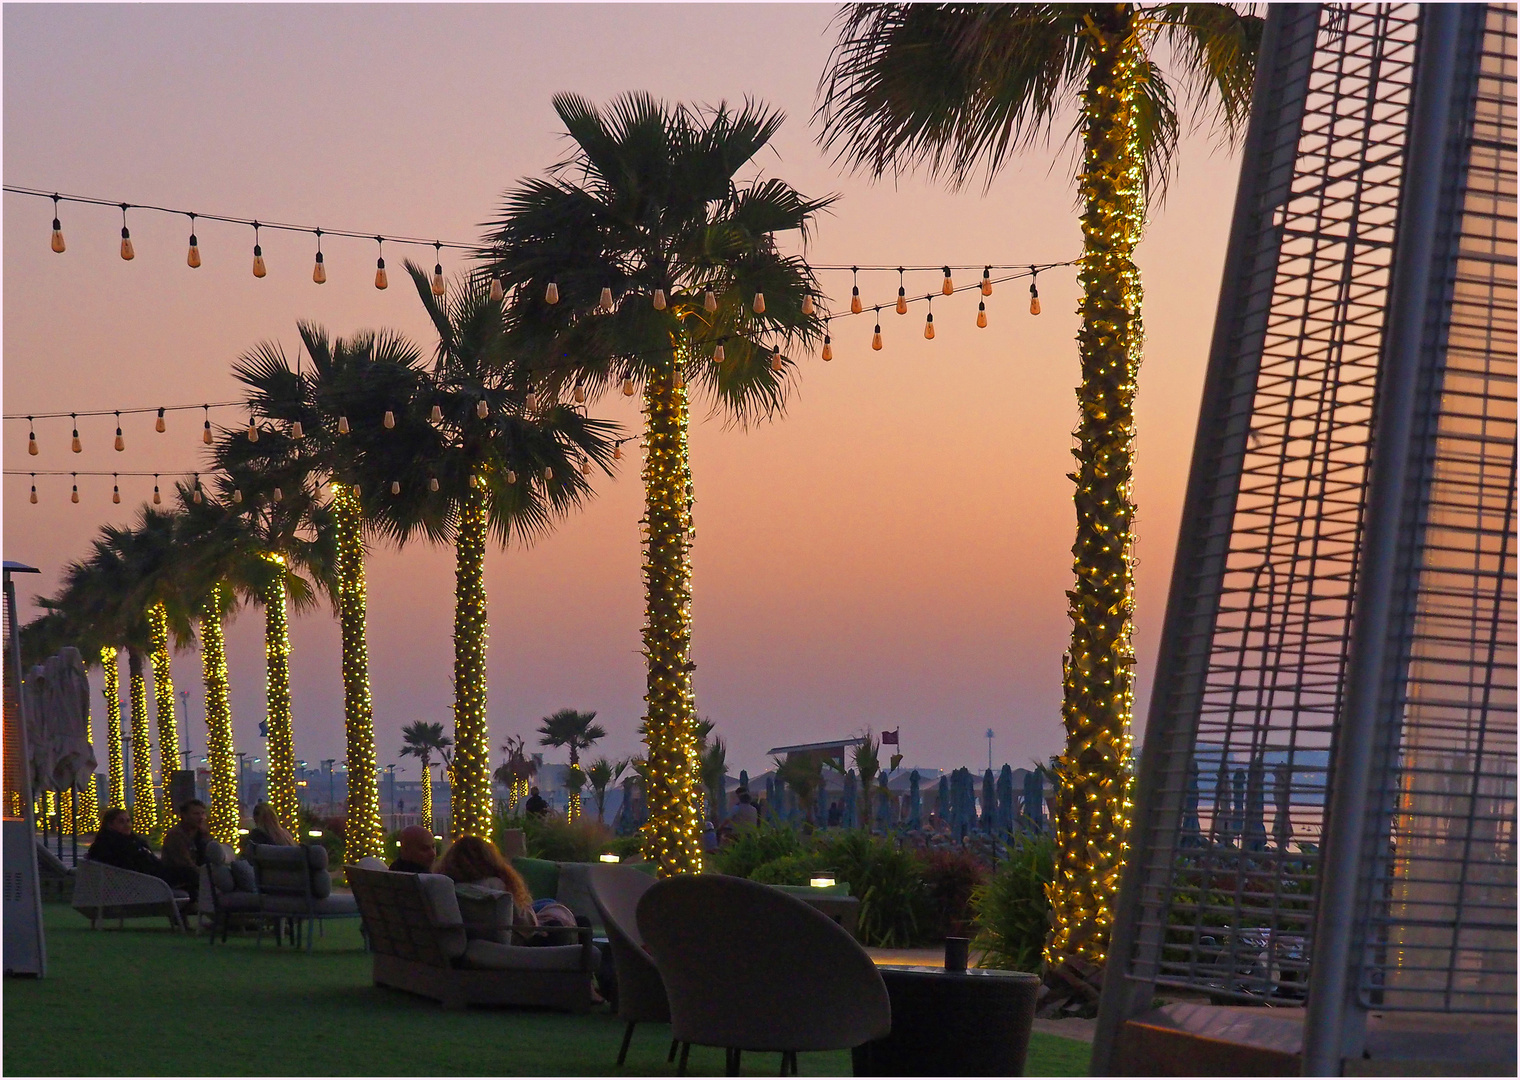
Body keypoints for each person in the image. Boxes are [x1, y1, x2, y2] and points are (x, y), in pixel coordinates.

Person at [433, 835, 537, 940]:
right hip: (513, 943)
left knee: (545, 904)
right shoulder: (495, 886)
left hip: (474, 940)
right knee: (549, 906)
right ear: (489, 858)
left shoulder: (447, 887)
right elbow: (528, 925)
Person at [86, 808, 164, 877]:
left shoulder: (132, 841)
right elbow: (140, 867)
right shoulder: (115, 846)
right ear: (110, 825)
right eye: (121, 822)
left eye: (128, 821)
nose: (127, 825)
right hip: (141, 885)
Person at [160, 799, 210, 901]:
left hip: (196, 876)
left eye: (202, 813)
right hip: (179, 878)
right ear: (184, 815)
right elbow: (185, 864)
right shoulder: (176, 836)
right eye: (196, 814)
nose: (201, 817)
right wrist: (207, 877)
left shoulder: (202, 835)